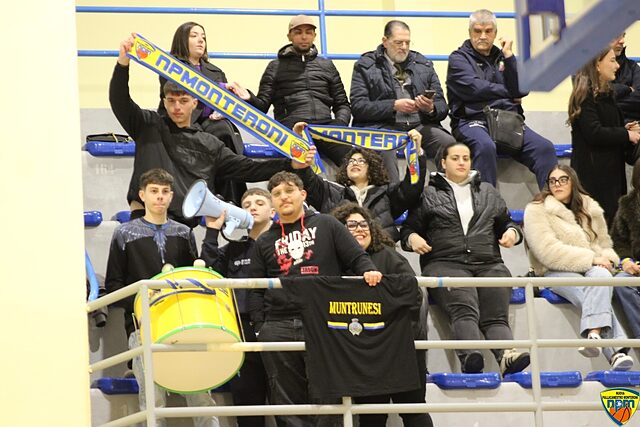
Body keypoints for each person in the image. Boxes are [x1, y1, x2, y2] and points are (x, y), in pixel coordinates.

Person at [110, 33, 303, 228]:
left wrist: (290, 164)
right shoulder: (148, 125)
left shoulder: (210, 144)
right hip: (143, 219)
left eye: (183, 100)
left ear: (195, 103)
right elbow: (119, 100)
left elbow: (248, 168)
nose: (177, 107)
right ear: (164, 102)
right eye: (171, 100)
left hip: (183, 227)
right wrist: (122, 64)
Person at [248, 171, 382, 427]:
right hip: (278, 324)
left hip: (324, 319)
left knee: (329, 392)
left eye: (289, 191)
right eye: (277, 194)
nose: (283, 197)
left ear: (303, 194)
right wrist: (259, 327)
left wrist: (369, 271)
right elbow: (254, 288)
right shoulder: (264, 240)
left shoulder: (327, 224)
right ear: (273, 202)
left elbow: (357, 258)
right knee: (285, 398)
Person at [400, 141, 530, 375]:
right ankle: (471, 358)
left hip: (489, 263)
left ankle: (506, 357)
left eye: (466, 158)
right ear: (443, 162)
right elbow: (408, 230)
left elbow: (507, 223)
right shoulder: (428, 194)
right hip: (444, 263)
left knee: (496, 317)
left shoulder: (488, 191)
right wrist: (413, 239)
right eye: (455, 158)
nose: (461, 162)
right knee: (464, 306)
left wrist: (512, 233)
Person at [104, 168, 220, 427]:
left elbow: (193, 277)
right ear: (142, 195)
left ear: (171, 196)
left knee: (201, 395)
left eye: (165, 191)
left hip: (185, 324)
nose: (160, 196)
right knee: (152, 401)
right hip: (142, 326)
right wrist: (143, 303)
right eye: (154, 191)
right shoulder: (123, 233)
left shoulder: (184, 232)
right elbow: (114, 285)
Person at [523, 165, 634, 371]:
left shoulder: (589, 207)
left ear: (573, 181)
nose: (557, 184)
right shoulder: (537, 209)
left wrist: (608, 260)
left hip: (591, 269)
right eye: (552, 181)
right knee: (588, 292)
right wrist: (591, 258)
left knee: (602, 275)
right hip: (553, 271)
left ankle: (593, 335)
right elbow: (547, 252)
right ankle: (617, 350)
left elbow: (604, 244)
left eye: (563, 179)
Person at [331, 203, 433, 427]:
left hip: (399, 346)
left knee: (413, 410)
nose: (359, 229)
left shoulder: (388, 256)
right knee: (371, 416)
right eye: (351, 225)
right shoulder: (333, 264)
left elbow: (413, 296)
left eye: (363, 224)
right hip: (363, 353)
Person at [446, 9, 557, 189]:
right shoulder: (458, 59)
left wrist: (509, 56)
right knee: (485, 146)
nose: (483, 36)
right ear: (470, 32)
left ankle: (552, 201)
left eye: (488, 31)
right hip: (472, 121)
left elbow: (522, 88)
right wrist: (509, 93)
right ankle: (487, 204)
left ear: (495, 33)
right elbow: (475, 89)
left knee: (545, 148)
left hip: (508, 121)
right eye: (477, 31)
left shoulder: (503, 57)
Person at [233, 15, 352, 168]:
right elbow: (262, 106)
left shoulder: (327, 66)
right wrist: (249, 98)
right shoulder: (275, 67)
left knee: (354, 163)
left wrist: (339, 124)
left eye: (308, 32)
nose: (304, 37)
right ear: (289, 36)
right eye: (298, 32)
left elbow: (342, 104)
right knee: (298, 169)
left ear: (314, 36)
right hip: (291, 130)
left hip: (325, 129)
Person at [200, 188, 275, 427]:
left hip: (277, 325)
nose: (253, 207)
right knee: (247, 402)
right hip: (242, 329)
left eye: (260, 202)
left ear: (272, 211)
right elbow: (208, 271)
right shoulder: (234, 248)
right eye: (247, 204)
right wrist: (213, 231)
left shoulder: (284, 243)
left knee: (287, 401)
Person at [350, 20, 456, 182]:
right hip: (382, 127)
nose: (404, 47)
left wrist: (430, 108)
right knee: (385, 149)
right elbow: (358, 107)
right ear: (385, 41)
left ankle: (447, 192)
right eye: (398, 43)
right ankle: (392, 194)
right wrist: (393, 106)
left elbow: (442, 105)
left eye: (407, 42)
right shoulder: (366, 65)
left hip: (419, 125)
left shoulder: (423, 64)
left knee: (449, 145)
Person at [158, 21, 249, 205]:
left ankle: (232, 198)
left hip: (212, 124)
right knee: (209, 136)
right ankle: (214, 196)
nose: (201, 40)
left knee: (222, 130)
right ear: (182, 40)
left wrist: (224, 111)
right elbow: (180, 91)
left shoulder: (216, 71)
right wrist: (219, 88)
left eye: (203, 37)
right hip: (183, 123)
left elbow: (226, 103)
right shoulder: (170, 66)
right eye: (194, 36)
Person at [292, 123, 426, 241]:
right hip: (343, 255)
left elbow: (412, 188)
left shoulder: (387, 193)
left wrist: (417, 152)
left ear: (372, 167)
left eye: (361, 161)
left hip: (380, 252)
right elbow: (308, 181)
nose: (355, 163)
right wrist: (298, 140)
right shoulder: (332, 192)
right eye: (351, 161)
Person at [568, 47, 640, 225]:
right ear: (597, 65)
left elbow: (606, 126)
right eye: (612, 61)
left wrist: (624, 129)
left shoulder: (607, 94)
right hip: (593, 179)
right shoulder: (584, 95)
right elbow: (594, 132)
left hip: (611, 174)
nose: (617, 66)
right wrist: (625, 134)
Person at [611, 160, 640, 338]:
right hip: (635, 267)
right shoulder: (627, 204)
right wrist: (627, 261)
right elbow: (618, 241)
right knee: (622, 282)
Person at [610, 32, 640, 122]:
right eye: (616, 36)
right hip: (608, 127)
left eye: (623, 35)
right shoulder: (587, 69)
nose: (622, 41)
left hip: (635, 125)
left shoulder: (632, 66)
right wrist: (628, 89)